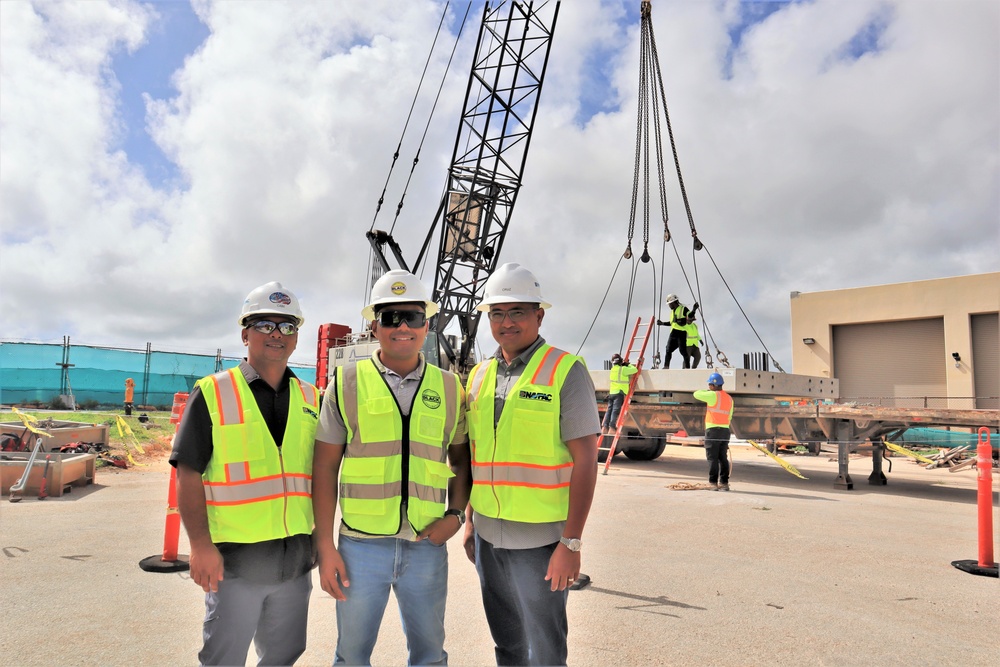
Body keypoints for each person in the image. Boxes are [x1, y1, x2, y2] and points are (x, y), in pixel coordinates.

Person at [312, 269, 470, 666]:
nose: (402, 326)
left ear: (427, 324)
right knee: (351, 656)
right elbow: (325, 469)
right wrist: (326, 545)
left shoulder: (450, 387)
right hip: (360, 547)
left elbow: (462, 460)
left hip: (426, 546)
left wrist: (455, 515)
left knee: (430, 655)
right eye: (390, 317)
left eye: (412, 317)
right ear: (374, 325)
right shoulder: (345, 383)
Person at [170, 281, 319, 666]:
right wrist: (200, 546)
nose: (277, 334)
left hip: (295, 560)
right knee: (224, 658)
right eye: (265, 324)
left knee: (284, 654)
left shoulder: (311, 398)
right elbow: (188, 474)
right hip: (236, 563)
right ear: (245, 332)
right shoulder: (214, 392)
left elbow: (316, 475)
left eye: (287, 326)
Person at [462, 262, 600, 667]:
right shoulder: (479, 374)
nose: (507, 322)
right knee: (507, 644)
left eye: (518, 311)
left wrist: (570, 543)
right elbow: (478, 456)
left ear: (539, 315)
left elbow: (586, 461)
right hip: (488, 537)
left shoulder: (565, 371)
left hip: (541, 544)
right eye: (497, 313)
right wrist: (471, 520)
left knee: (545, 648)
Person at [693, 372, 734, 491]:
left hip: (713, 431)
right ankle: (724, 483)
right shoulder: (729, 398)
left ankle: (713, 483)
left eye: (710, 384)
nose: (709, 386)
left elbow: (696, 394)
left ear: (714, 385)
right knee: (722, 457)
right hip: (725, 430)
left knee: (712, 458)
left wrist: (708, 391)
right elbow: (730, 416)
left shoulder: (712, 395)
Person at [655, 294, 698, 369]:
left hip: (681, 333)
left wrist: (694, 310)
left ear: (673, 302)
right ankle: (666, 366)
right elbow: (672, 323)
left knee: (683, 351)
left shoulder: (683, 309)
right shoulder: (672, 311)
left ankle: (687, 367)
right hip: (673, 333)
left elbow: (690, 316)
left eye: (669, 304)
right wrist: (662, 323)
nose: (669, 306)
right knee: (668, 349)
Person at [601, 353, 638, 435]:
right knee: (615, 411)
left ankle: (604, 427)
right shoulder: (623, 369)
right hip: (619, 393)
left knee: (609, 410)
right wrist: (628, 364)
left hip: (612, 393)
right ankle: (612, 428)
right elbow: (635, 370)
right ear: (621, 361)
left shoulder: (613, 369)